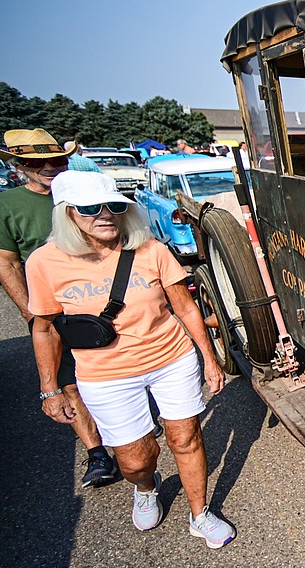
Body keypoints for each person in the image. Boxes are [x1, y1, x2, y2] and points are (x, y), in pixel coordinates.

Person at [26, 171, 235, 547]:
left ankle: (200, 513)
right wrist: (49, 389)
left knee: (185, 437)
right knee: (136, 459)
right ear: (68, 214)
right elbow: (44, 329)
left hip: (170, 357)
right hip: (106, 373)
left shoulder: (150, 250)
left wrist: (209, 357)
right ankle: (145, 486)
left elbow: (186, 309)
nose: (105, 214)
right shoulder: (45, 263)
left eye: (115, 206)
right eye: (91, 208)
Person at [0, 128, 117, 487]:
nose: (48, 167)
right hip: (54, 308)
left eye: (56, 159)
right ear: (19, 165)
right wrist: (32, 310)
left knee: (117, 365)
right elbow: (5, 263)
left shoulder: (86, 195)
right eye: (35, 162)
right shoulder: (2, 206)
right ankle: (98, 453)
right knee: (68, 379)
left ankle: (128, 425)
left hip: (106, 299)